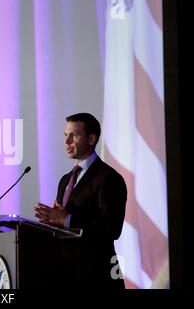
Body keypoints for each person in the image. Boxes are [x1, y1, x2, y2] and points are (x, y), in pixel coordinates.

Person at [34, 113, 127, 289]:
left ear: (91, 139)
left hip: (97, 277)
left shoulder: (109, 178)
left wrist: (67, 220)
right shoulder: (65, 179)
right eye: (65, 135)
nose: (66, 141)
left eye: (73, 135)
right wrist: (53, 222)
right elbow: (65, 225)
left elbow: (112, 228)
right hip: (67, 275)